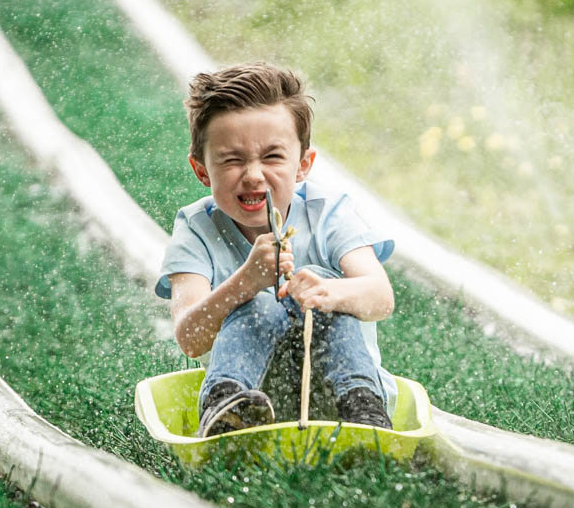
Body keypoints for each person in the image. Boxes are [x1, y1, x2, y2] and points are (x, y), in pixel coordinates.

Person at [157, 62, 397, 438]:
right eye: (232, 159)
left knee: (321, 284)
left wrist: (327, 292)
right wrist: (245, 283)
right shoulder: (196, 229)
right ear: (202, 171)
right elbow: (190, 338)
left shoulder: (328, 213)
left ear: (303, 165)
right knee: (258, 303)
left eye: (272, 157)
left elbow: (381, 297)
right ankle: (227, 403)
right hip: (242, 411)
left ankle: (361, 404)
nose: (253, 175)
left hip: (339, 401)